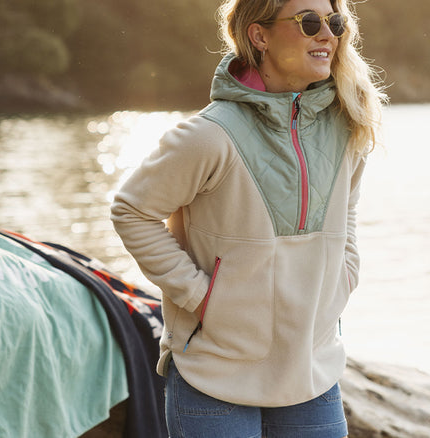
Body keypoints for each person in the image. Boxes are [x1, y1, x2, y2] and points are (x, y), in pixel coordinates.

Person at [111, 0, 386, 436]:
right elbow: (132, 210)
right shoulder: (209, 135)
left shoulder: (347, 125)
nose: (327, 34)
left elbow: (346, 211)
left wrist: (345, 275)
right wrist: (201, 296)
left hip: (313, 373)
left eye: (334, 22)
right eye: (309, 22)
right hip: (214, 376)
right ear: (259, 36)